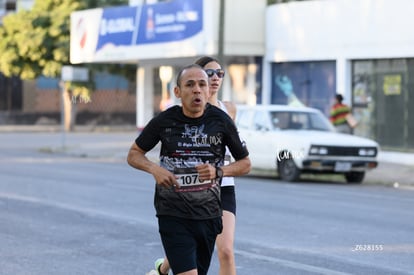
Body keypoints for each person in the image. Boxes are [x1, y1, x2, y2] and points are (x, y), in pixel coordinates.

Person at [127, 64, 251, 275]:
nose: (197, 90)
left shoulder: (221, 121)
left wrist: (218, 171)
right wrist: (154, 169)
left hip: (208, 215)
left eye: (202, 85)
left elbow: (245, 163)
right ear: (177, 91)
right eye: (190, 84)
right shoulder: (165, 121)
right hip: (172, 213)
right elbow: (134, 154)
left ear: (207, 90)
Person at [154, 56, 239, 275]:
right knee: (186, 245)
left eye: (219, 73)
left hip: (222, 186)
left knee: (226, 251)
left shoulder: (229, 110)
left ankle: (165, 267)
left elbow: (234, 150)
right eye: (209, 74)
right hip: (186, 190)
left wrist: (222, 168)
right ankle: (164, 268)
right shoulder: (182, 112)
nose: (215, 78)